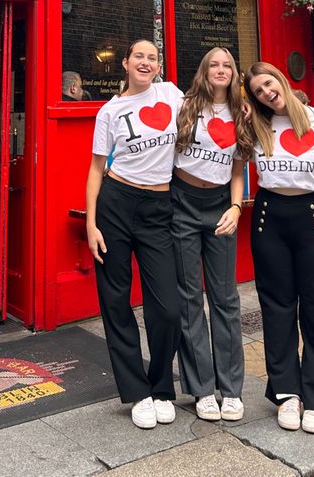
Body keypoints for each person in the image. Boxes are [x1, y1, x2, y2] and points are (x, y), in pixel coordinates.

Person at [85, 39, 184, 430]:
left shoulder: (171, 94)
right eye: (138, 57)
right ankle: (137, 392)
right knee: (116, 300)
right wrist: (91, 224)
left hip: (159, 207)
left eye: (152, 57)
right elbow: (96, 169)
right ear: (124, 64)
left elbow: (212, 109)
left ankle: (161, 386)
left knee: (168, 307)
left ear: (159, 65)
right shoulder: (111, 111)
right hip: (116, 202)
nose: (146, 62)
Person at [243, 61, 314, 435]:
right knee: (277, 306)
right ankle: (287, 393)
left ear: (280, 80)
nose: (266, 93)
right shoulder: (257, 124)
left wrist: (309, 196)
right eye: (258, 91)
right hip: (269, 215)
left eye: (268, 84)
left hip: (312, 214)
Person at [172, 47, 254, 423]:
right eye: (214, 65)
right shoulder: (184, 106)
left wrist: (236, 208)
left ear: (234, 74)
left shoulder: (242, 113)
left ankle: (231, 389)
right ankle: (202, 389)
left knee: (225, 298)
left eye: (227, 65)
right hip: (182, 203)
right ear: (204, 72)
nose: (221, 70)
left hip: (222, 204)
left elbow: (239, 171)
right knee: (189, 298)